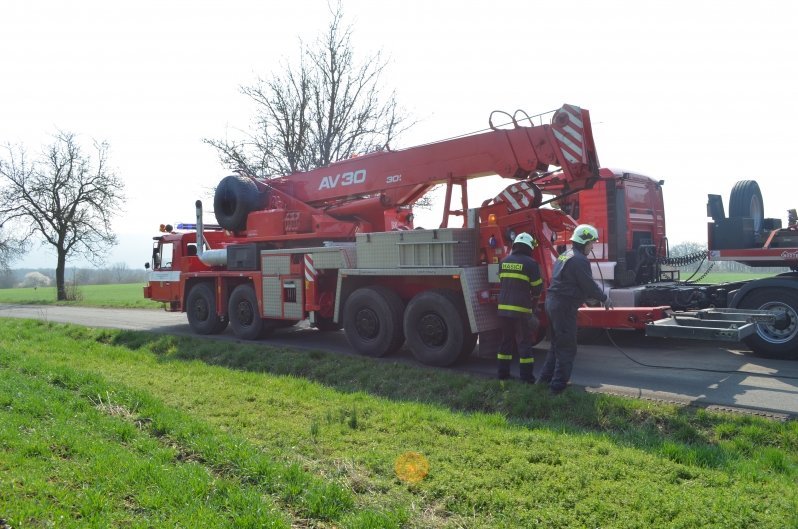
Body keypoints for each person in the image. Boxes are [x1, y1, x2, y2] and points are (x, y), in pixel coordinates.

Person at [539, 224, 613, 395]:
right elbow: (589, 285)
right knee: (567, 348)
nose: (592, 246)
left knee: (557, 345)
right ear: (584, 241)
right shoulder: (580, 260)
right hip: (563, 306)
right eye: (591, 243)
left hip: (554, 303)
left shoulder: (565, 255)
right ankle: (557, 388)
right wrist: (604, 298)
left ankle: (544, 380)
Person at [496, 232, 543, 382]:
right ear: (529, 247)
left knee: (506, 341)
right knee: (524, 344)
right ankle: (526, 377)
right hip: (522, 311)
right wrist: (534, 305)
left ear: (515, 245)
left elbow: (501, 281)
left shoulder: (504, 262)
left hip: (503, 309)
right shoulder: (531, 263)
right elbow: (537, 288)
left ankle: (503, 374)